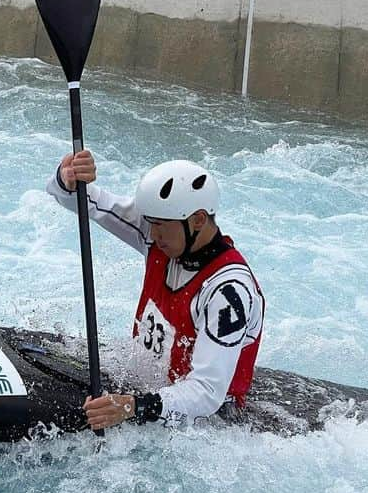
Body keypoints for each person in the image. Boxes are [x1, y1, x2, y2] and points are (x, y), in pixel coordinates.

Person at [46, 150, 264, 430]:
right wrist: (70, 181)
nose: (153, 233)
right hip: (148, 385)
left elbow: (208, 392)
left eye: (160, 226)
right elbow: (92, 203)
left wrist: (132, 407)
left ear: (197, 220)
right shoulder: (163, 234)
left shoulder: (228, 291)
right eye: (150, 223)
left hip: (208, 422)